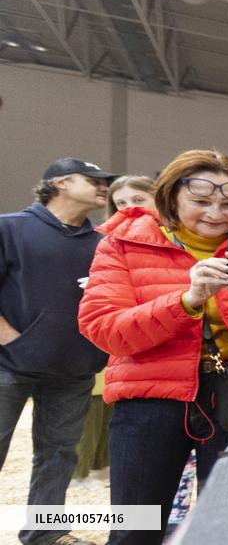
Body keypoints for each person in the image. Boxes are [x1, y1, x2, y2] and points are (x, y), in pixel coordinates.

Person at [78, 149, 228, 545]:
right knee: (135, 526)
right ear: (171, 198)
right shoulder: (122, 244)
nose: (216, 213)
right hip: (150, 402)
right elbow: (105, 330)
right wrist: (185, 301)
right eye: (201, 202)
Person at [0, 157, 117, 545]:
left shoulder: (102, 244)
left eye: (106, 182)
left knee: (59, 455)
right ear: (61, 183)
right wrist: (10, 339)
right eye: (94, 179)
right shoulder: (10, 227)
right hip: (10, 365)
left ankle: (44, 534)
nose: (104, 187)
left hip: (75, 368)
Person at [73, 175, 157, 487]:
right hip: (121, 353)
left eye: (138, 200)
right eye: (120, 203)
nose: (129, 208)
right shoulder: (109, 246)